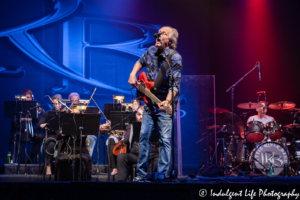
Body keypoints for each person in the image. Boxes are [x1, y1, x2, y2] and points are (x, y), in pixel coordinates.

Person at [128, 26, 182, 180]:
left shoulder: (174, 58)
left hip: (164, 104)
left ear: (170, 40)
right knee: (144, 137)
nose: (158, 35)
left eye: (163, 34)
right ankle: (141, 174)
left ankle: (162, 174)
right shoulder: (151, 50)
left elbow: (175, 85)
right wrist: (133, 74)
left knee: (165, 140)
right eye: (158, 32)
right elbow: (139, 62)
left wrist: (167, 101)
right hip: (149, 103)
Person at [116, 106, 159, 181]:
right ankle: (121, 182)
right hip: (136, 155)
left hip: (151, 155)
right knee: (121, 157)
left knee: (158, 157)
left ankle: (151, 181)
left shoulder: (153, 127)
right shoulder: (131, 126)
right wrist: (128, 132)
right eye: (139, 114)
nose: (141, 117)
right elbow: (125, 141)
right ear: (136, 115)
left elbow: (158, 142)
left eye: (143, 115)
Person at [10, 89, 43, 164]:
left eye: (28, 97)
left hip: (30, 133)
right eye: (25, 97)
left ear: (32, 98)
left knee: (40, 137)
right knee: (16, 136)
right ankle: (21, 159)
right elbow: (14, 122)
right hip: (20, 132)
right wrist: (21, 119)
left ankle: (31, 159)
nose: (27, 99)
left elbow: (40, 120)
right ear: (22, 98)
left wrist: (37, 113)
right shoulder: (17, 107)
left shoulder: (33, 108)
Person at [37, 94, 63, 175]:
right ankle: (48, 166)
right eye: (55, 103)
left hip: (61, 136)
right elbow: (38, 126)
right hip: (51, 136)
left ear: (61, 104)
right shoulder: (47, 114)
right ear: (52, 104)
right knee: (51, 144)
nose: (57, 105)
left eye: (59, 103)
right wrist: (47, 124)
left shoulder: (64, 114)